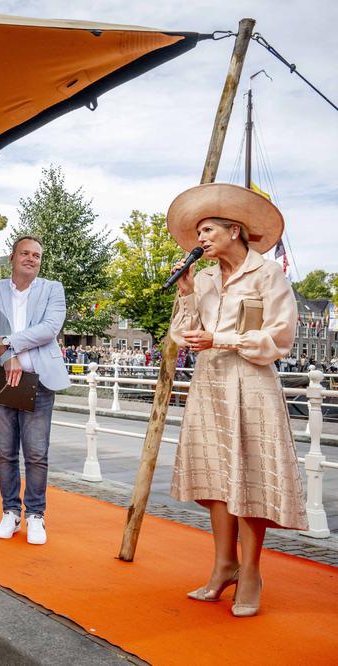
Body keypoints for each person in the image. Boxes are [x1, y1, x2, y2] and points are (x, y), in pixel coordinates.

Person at [166, 183, 307, 617]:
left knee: (250, 476)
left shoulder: (267, 274)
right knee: (213, 478)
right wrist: (187, 293)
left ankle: (250, 572)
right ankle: (224, 564)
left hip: (251, 383)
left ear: (234, 230)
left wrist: (221, 338)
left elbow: (280, 336)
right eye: (198, 233)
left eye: (207, 230)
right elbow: (181, 333)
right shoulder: (204, 277)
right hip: (210, 384)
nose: (200, 239)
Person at [0, 235, 70, 545]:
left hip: (39, 382)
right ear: (13, 257)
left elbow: (49, 328)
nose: (32, 258)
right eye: (26, 253)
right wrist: (7, 357)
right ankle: (10, 512)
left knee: (36, 453)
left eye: (37, 255)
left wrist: (11, 343)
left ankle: (36, 516)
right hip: (2, 381)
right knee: (5, 453)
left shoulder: (52, 289)